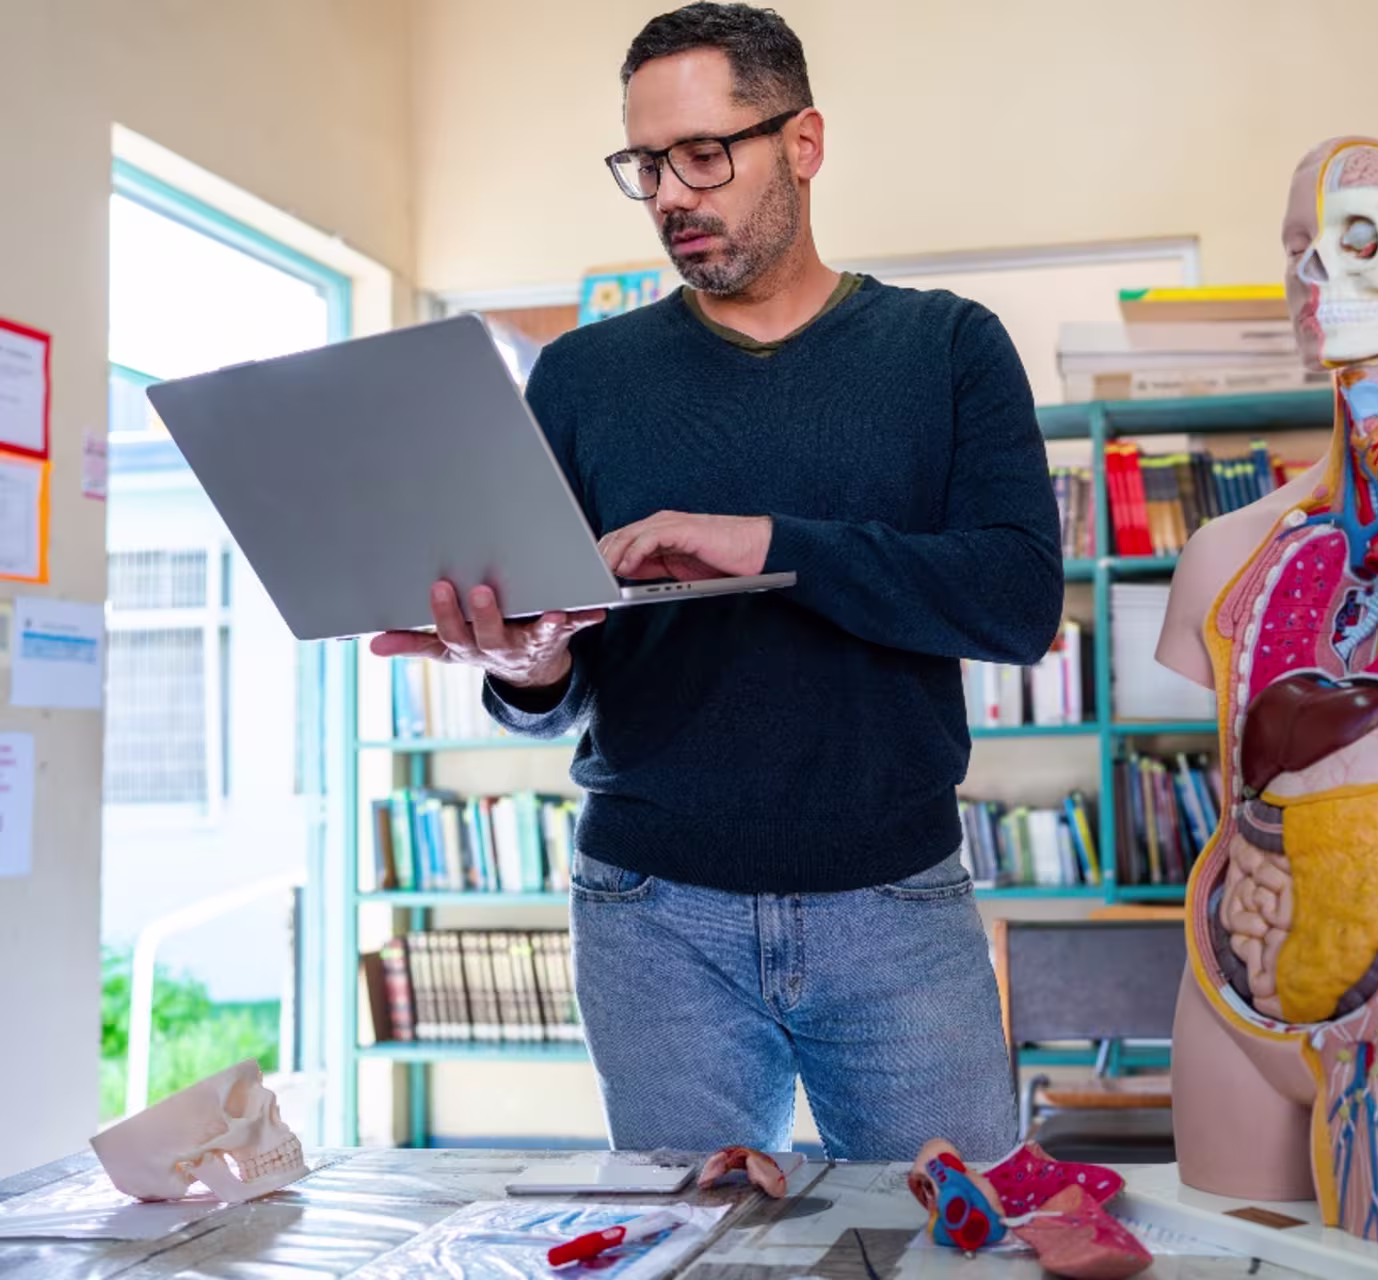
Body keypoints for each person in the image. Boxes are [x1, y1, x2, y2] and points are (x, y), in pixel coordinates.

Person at [370, 2, 1062, 1160]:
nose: (672, 196)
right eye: (646, 165)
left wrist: (769, 545)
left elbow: (1016, 600)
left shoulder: (948, 346)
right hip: (649, 913)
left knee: (954, 1244)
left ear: (803, 142)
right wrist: (529, 668)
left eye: (703, 153)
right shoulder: (585, 378)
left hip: (896, 905)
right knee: (687, 1248)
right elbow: (563, 667)